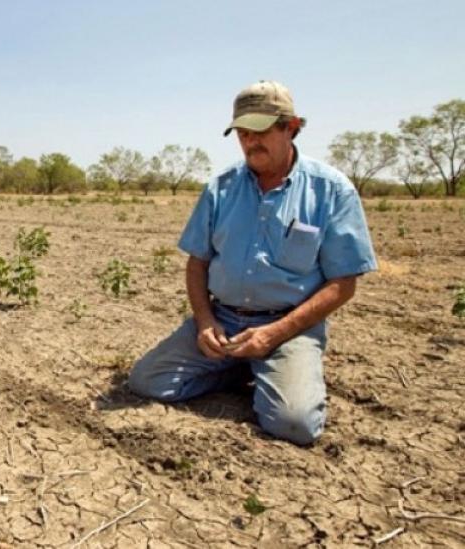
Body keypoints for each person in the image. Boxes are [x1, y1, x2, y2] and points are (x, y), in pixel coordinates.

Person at [128, 80, 377, 446]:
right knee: (147, 381)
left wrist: (273, 335)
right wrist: (205, 321)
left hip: (288, 328)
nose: (250, 141)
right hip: (223, 320)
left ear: (290, 128)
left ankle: (274, 369)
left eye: (260, 131)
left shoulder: (331, 190)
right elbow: (197, 263)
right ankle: (237, 367)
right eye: (242, 133)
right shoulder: (220, 188)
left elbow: (343, 283)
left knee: (294, 424)